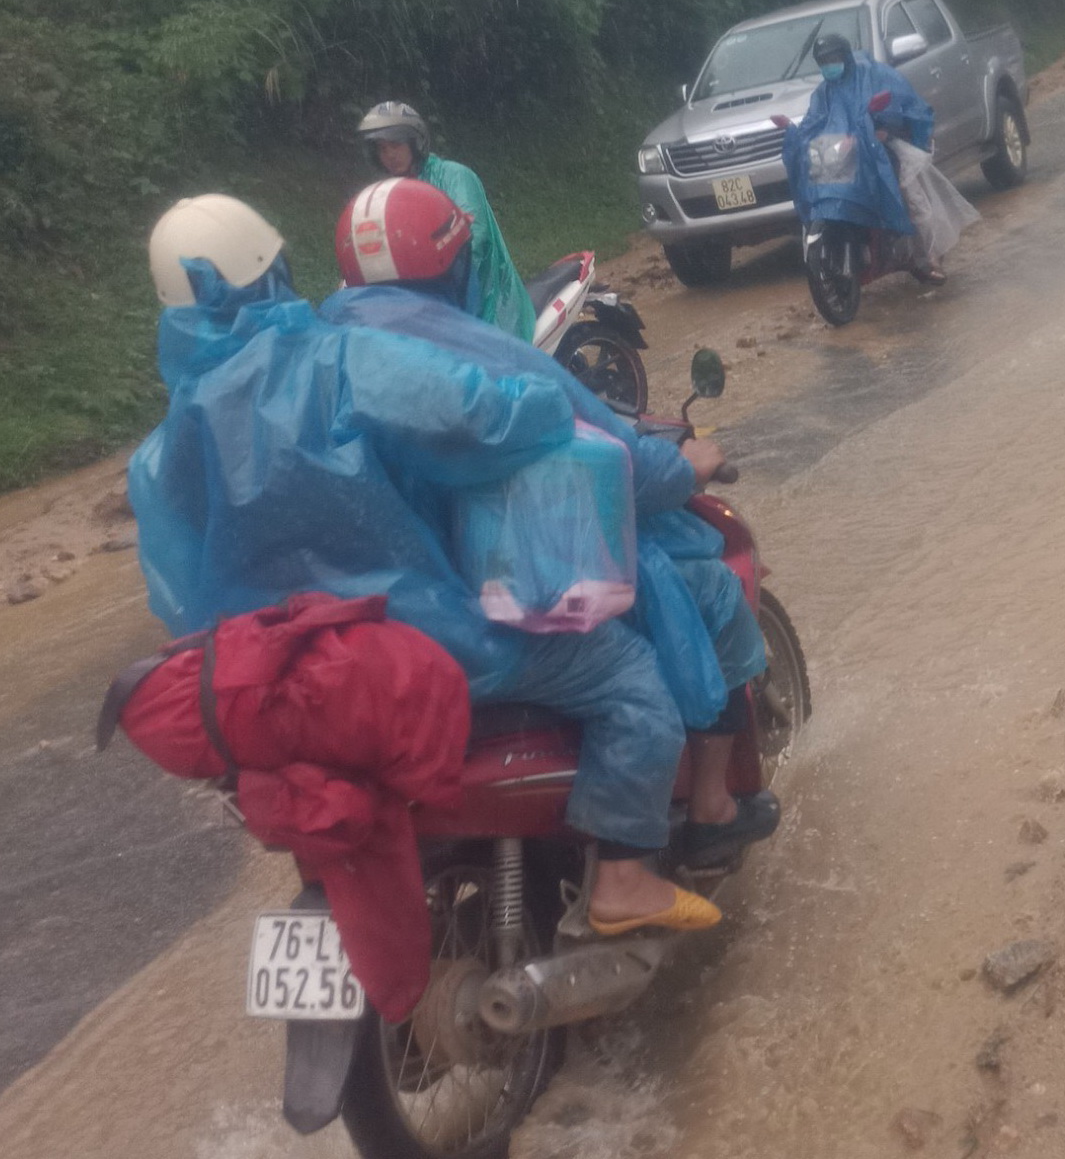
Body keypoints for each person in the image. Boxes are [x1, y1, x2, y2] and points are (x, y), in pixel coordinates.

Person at [130, 194, 719, 935]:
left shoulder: (160, 455)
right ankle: (625, 878)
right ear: (274, 269)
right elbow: (483, 416)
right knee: (632, 678)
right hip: (422, 648)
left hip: (280, 691)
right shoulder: (338, 361)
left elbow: (180, 602)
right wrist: (549, 396)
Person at [324, 177, 779, 871]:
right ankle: (703, 813)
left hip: (363, 624)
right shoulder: (489, 359)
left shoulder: (309, 355)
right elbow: (629, 465)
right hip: (477, 615)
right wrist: (690, 465)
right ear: (455, 265)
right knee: (702, 598)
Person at [783, 34, 961, 286]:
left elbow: (906, 107)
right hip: (844, 151)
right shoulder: (823, 92)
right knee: (823, 194)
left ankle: (930, 256)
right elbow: (814, 122)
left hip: (882, 145)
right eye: (823, 62)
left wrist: (884, 127)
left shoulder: (875, 76)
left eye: (833, 59)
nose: (829, 65)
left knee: (911, 196)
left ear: (844, 56)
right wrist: (796, 134)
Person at [357, 101, 536, 342]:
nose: (389, 155)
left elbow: (476, 236)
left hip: (482, 298)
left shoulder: (454, 176)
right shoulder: (390, 193)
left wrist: (435, 274)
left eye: (396, 145)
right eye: (382, 148)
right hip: (427, 301)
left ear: (415, 142)